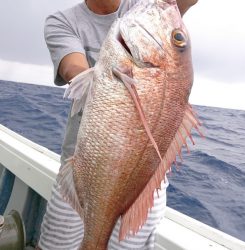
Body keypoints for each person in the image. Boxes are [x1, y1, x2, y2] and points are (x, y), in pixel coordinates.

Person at [37, 0, 198, 249]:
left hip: (143, 178)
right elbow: (72, 67)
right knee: (55, 244)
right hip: (81, 164)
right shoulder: (62, 21)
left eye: (177, 39)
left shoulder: (144, 7)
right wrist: (102, 74)